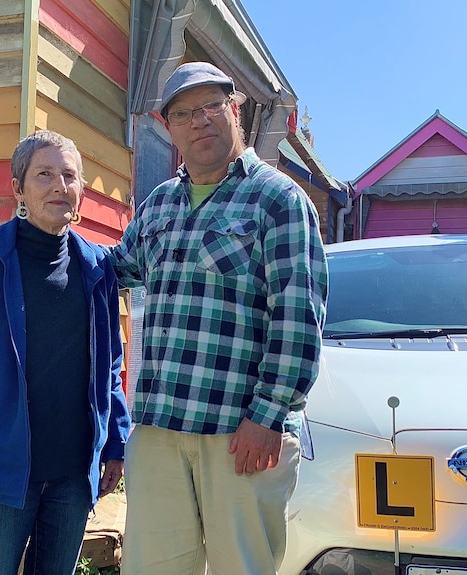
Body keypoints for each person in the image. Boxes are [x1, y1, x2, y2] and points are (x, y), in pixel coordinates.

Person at [110, 62, 328, 575]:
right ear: (169, 128)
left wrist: (268, 414)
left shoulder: (278, 199)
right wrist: (49, 237)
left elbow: (298, 314)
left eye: (211, 106)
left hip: (239, 432)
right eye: (183, 113)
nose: (199, 121)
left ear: (236, 110)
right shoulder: (159, 205)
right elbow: (115, 270)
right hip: (160, 426)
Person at [0, 130, 131, 575]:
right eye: (44, 174)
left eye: (69, 175)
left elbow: (110, 365)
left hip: (72, 478)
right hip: (1, 479)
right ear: (18, 188)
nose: (60, 185)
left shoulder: (98, 267)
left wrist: (116, 443)